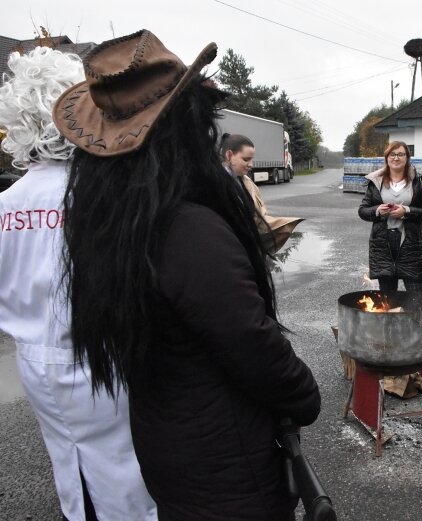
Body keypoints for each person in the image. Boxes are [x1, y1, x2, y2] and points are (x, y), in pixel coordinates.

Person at [53, 30, 321, 520]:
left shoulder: (114, 223)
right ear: (184, 130)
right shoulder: (185, 228)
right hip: (225, 465)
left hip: (168, 445)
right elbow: (252, 343)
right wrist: (305, 394)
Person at [0, 47, 156, 521]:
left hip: (36, 364)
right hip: (105, 357)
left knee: (68, 459)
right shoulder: (103, 195)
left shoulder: (7, 204)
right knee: (129, 472)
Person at [358, 141, 422, 292]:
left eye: (401, 154)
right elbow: (363, 211)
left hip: (411, 243)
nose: (396, 158)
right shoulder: (376, 182)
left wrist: (406, 211)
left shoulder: (419, 182)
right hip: (382, 243)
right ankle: (391, 316)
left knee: (417, 294)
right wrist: (377, 211)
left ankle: (418, 317)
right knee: (387, 297)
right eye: (392, 154)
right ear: (387, 158)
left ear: (407, 157)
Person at [220, 133, 303, 254]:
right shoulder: (216, 185)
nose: (251, 164)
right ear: (229, 155)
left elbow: (257, 214)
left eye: (252, 159)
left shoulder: (246, 182)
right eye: (246, 159)